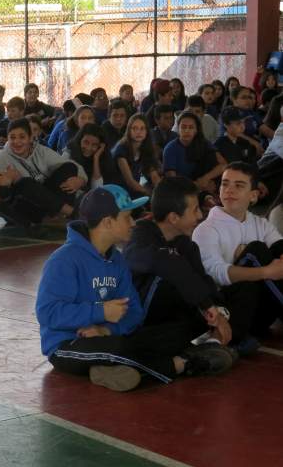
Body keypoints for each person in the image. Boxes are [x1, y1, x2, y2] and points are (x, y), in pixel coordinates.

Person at [36, 184, 235, 392]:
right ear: (108, 222)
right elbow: (47, 313)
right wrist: (101, 312)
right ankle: (182, 364)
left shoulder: (117, 261)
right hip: (67, 345)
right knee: (119, 347)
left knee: (167, 334)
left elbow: (134, 313)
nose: (133, 222)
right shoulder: (65, 259)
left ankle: (113, 370)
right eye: (127, 217)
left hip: (107, 337)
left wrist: (105, 329)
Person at [125, 176, 260, 355]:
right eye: (195, 209)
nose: (200, 215)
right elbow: (168, 264)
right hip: (149, 323)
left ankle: (217, 339)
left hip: (185, 315)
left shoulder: (186, 244)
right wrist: (207, 306)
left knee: (245, 286)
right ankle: (216, 342)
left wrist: (217, 310)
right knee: (167, 272)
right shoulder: (140, 236)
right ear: (174, 217)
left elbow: (203, 280)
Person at [194, 162, 283, 337]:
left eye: (239, 185)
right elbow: (215, 273)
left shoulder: (261, 224)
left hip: (261, 311)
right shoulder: (206, 229)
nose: (229, 190)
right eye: (225, 184)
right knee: (255, 251)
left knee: (269, 251)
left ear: (253, 196)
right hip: (228, 312)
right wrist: (265, 271)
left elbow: (279, 247)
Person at [0, 118, 87, 223]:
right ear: (8, 139)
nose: (17, 142)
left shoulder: (40, 151)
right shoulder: (2, 157)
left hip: (48, 202)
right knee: (24, 182)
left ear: (30, 138)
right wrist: (6, 182)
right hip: (25, 206)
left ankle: (57, 216)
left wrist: (81, 180)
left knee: (69, 167)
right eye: (12, 137)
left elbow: (73, 166)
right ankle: (71, 213)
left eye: (22, 137)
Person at [163, 112, 226, 198]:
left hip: (206, 185)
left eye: (191, 127)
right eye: (183, 127)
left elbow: (223, 165)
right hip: (182, 191)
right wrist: (198, 185)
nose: (187, 130)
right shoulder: (170, 149)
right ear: (178, 128)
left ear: (196, 130)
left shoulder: (204, 143)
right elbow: (172, 181)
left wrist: (206, 178)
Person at [113, 113, 162, 197]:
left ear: (147, 131)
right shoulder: (121, 149)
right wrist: (151, 194)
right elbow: (130, 182)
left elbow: (154, 176)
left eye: (142, 128)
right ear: (129, 130)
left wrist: (162, 191)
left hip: (133, 191)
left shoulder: (146, 148)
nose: (138, 132)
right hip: (117, 192)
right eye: (134, 128)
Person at [63, 123, 120, 190]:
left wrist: (96, 158)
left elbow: (97, 188)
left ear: (100, 146)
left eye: (94, 145)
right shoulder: (70, 151)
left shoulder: (104, 157)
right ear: (80, 139)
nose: (89, 148)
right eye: (86, 142)